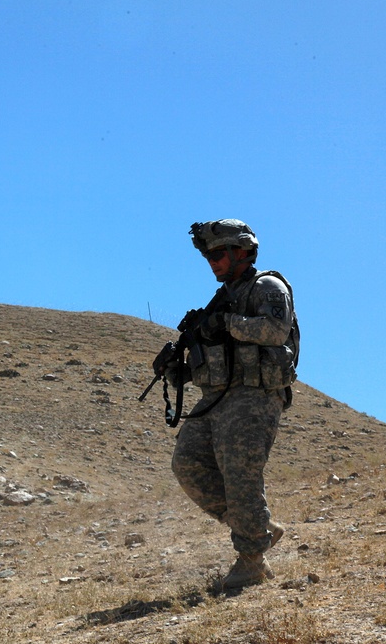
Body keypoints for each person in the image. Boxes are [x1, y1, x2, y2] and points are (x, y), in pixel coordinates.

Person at [160, 219, 297, 590]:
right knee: (187, 463)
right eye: (208, 256)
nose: (213, 262)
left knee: (240, 473)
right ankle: (259, 524)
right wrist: (182, 371)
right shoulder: (219, 301)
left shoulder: (266, 286)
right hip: (216, 398)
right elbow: (219, 354)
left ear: (243, 251)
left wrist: (227, 322)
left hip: (254, 397)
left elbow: (274, 331)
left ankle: (252, 561)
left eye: (219, 254)